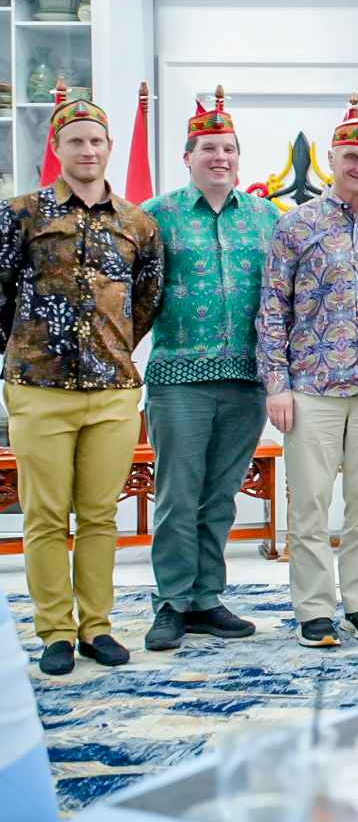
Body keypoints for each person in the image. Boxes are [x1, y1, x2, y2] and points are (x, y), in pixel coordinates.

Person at [0, 97, 163, 675]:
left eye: (96, 141)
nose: (87, 150)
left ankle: (96, 626)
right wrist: (31, 344)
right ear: (57, 148)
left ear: (109, 148)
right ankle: (55, 632)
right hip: (39, 387)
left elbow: (146, 299)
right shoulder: (21, 214)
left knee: (98, 515)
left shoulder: (138, 224)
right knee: (45, 516)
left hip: (112, 390)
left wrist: (108, 346)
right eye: (75, 141)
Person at [258, 97, 358, 648]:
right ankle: (315, 611)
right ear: (332, 160)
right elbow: (272, 308)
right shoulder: (296, 226)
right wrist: (277, 384)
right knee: (312, 506)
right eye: (352, 158)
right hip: (312, 387)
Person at [141, 87, 280, 653]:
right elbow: (133, 294)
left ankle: (206, 598)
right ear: (188, 157)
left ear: (238, 158)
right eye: (208, 149)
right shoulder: (156, 216)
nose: (220, 157)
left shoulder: (267, 218)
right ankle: (171, 602)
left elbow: (282, 298)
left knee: (220, 496)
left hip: (246, 379)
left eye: (228, 149)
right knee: (178, 496)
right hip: (179, 379)